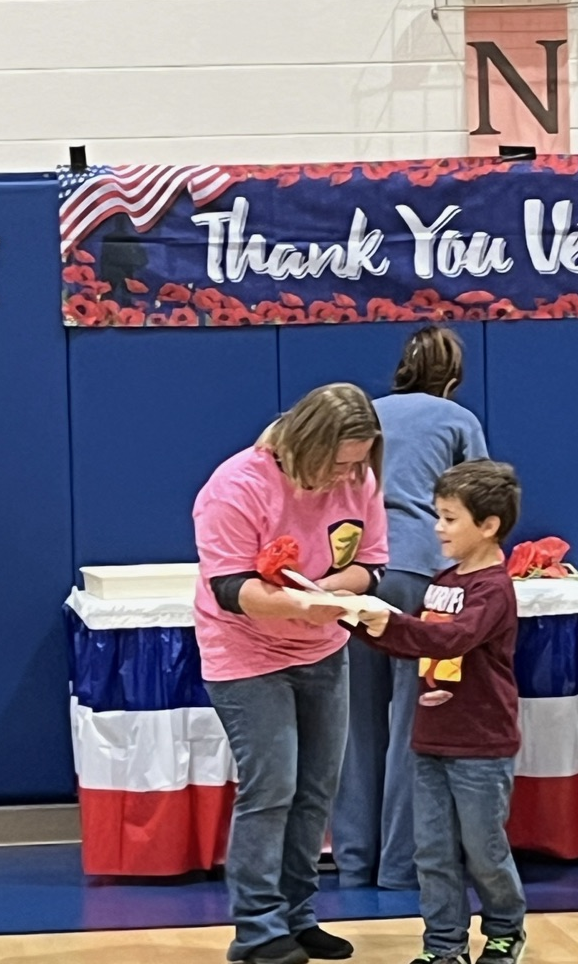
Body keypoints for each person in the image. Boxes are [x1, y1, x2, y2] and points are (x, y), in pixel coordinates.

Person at [193, 383, 389, 964]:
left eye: (358, 463)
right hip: (246, 654)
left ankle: (298, 916)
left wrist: (330, 593)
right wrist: (301, 606)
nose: (345, 476)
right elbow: (230, 589)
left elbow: (372, 566)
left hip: (323, 650)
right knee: (272, 786)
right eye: (337, 462)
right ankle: (256, 928)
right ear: (306, 443)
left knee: (315, 790)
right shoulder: (236, 486)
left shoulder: (359, 479)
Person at [333, 325, 488, 889]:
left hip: (356, 574)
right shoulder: (457, 420)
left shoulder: (367, 415)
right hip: (424, 576)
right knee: (411, 722)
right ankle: (401, 867)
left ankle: (353, 863)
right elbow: (479, 501)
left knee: (355, 725)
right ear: (452, 377)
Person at [354, 459, 527, 964]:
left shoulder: (493, 587)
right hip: (431, 739)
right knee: (431, 851)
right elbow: (415, 643)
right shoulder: (443, 579)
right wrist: (349, 619)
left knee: (484, 850)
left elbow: (454, 637)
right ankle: (443, 946)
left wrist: (388, 621)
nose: (438, 527)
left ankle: (504, 930)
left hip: (480, 743)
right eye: (439, 515)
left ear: (488, 525)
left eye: (450, 517)